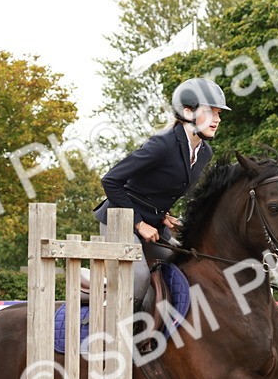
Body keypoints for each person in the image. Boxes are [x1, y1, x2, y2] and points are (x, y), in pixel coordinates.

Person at [94, 77, 229, 307]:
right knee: (139, 277)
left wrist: (163, 215)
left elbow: (156, 189)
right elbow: (111, 180)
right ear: (187, 112)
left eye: (219, 114)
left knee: (188, 263)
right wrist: (138, 224)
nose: (217, 120)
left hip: (154, 224)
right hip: (118, 219)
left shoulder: (205, 152)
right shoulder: (162, 144)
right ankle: (119, 334)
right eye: (210, 113)